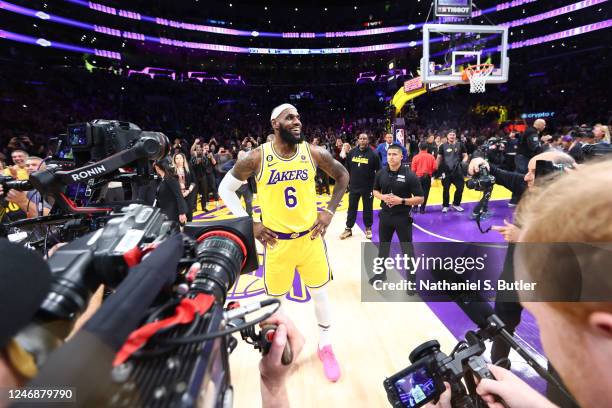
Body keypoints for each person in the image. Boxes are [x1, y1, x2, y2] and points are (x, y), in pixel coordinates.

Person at [427, 160, 612, 408]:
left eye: (535, 172)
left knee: (560, 366)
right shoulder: (530, 187)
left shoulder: (570, 225)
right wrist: (481, 162)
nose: (526, 177)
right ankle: (499, 363)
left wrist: (522, 236)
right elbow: (500, 173)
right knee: (502, 326)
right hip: (513, 276)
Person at [218, 103, 349, 382]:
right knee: (274, 301)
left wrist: (328, 211)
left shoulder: (313, 152)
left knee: (320, 294)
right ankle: (280, 345)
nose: (297, 121)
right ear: (275, 123)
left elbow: (342, 176)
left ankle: (325, 344)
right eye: (290, 118)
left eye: (299, 117)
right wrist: (249, 223)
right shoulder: (256, 157)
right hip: (277, 244)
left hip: (310, 240)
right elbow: (224, 189)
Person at [371, 145, 424, 286]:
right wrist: (383, 197)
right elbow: (375, 191)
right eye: (389, 154)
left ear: (401, 157)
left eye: (394, 154)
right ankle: (380, 274)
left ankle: (412, 281)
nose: (391, 157)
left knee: (407, 250)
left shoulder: (409, 175)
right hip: (385, 217)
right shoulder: (381, 173)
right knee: (383, 247)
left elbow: (420, 198)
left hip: (402, 218)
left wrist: (401, 200)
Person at [340, 133, 380, 240]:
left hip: (368, 187)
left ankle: (368, 228)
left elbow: (379, 171)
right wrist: (346, 184)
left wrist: (376, 186)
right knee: (352, 208)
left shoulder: (374, 154)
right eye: (360, 138)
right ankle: (348, 228)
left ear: (368, 141)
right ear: (358, 140)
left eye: (364, 139)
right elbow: (346, 169)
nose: (362, 140)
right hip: (354, 186)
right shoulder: (352, 152)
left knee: (368, 208)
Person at [437, 130, 468, 213]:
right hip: (446, 171)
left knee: (460, 188)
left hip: (458, 171)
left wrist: (463, 163)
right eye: (450, 134)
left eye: (453, 134)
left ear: (455, 136)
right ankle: (445, 205)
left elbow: (465, 155)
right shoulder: (442, 146)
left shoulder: (460, 145)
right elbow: (439, 158)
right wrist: (436, 169)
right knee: (446, 189)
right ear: (447, 136)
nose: (452, 136)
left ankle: (456, 204)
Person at [153, 158, 188, 225]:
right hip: (165, 212)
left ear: (157, 167)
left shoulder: (170, 178)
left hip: (172, 213)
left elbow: (178, 195)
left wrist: (182, 213)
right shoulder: (163, 179)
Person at [411, 142, 437, 214]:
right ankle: (422, 209)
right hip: (427, 177)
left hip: (417, 177)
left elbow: (413, 170)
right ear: (427, 148)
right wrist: (430, 172)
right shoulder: (431, 157)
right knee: (425, 193)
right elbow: (435, 167)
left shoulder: (415, 157)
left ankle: (415, 207)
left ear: (419, 148)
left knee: (416, 193)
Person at [173, 153, 196, 222]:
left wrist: (188, 191)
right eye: (177, 158)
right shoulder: (172, 170)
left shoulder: (188, 168)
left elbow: (194, 181)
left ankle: (190, 226)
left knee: (189, 211)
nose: (179, 160)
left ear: (183, 159)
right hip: (178, 193)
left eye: (180, 158)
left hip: (189, 192)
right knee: (180, 212)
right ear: (174, 160)